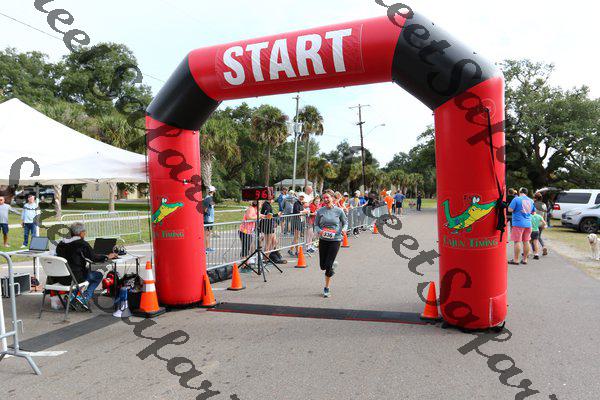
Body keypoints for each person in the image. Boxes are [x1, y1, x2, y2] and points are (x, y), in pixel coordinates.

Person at [55, 222, 118, 309]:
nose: (85, 233)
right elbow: (94, 258)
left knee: (86, 270)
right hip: (75, 278)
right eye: (84, 232)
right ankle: (83, 298)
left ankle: (72, 296)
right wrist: (107, 256)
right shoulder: (82, 244)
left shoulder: (61, 244)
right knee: (98, 275)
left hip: (61, 278)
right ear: (81, 233)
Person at [314, 192, 348, 298]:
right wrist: (319, 231)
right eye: (324, 198)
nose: (326, 199)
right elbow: (316, 224)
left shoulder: (339, 210)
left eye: (327, 197)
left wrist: (344, 229)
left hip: (335, 239)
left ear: (332, 198)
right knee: (323, 266)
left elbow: (345, 222)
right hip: (323, 239)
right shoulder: (320, 211)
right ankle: (332, 265)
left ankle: (327, 288)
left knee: (328, 266)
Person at [508, 188, 536, 265]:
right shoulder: (531, 201)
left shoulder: (516, 199)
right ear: (526, 193)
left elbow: (510, 209)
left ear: (520, 192)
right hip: (528, 224)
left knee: (517, 241)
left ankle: (516, 260)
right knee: (526, 241)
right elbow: (533, 212)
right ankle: (525, 260)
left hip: (518, 223)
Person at [203, 186, 216, 253]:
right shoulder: (208, 198)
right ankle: (206, 248)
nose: (215, 191)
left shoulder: (210, 198)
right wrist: (206, 215)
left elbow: (212, 205)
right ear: (213, 191)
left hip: (210, 219)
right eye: (214, 190)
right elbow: (205, 209)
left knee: (208, 234)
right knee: (207, 234)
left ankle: (207, 247)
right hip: (208, 219)